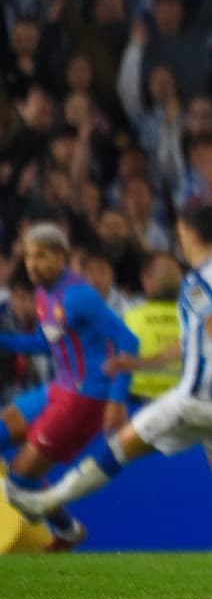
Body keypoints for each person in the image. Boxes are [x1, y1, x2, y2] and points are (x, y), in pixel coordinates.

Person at [8, 207, 212, 552]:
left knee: (118, 449)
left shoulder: (196, 282)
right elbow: (194, 340)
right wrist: (140, 364)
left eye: (180, 230)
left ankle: (46, 503)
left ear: (189, 232)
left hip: (195, 400)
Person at [0, 223, 139, 551]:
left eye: (42, 256)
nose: (32, 264)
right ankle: (63, 525)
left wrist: (117, 400)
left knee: (20, 479)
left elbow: (128, 341)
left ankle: (67, 529)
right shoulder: (43, 294)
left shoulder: (79, 296)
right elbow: (45, 344)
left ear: (61, 257)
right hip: (58, 389)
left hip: (84, 397)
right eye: (29, 256)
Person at [123, 253, 185, 402]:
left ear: (147, 281)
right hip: (180, 401)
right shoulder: (193, 319)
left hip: (137, 403)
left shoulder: (131, 317)